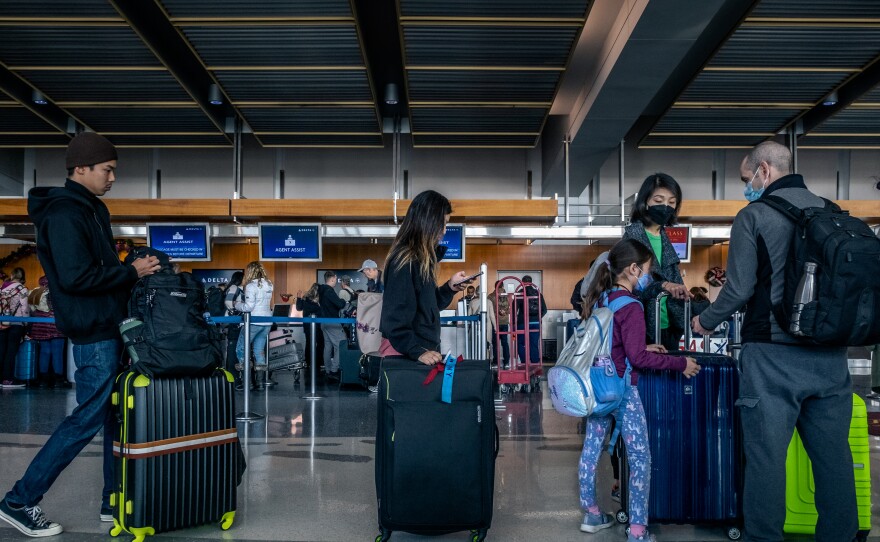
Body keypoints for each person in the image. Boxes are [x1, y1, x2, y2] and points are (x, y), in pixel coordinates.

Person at [692, 141, 858, 541]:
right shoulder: (831, 212)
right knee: (834, 459)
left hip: (772, 356)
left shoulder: (754, 216)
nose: (747, 186)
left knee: (767, 460)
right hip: (831, 356)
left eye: (747, 179)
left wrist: (705, 322)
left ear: (764, 171)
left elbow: (737, 290)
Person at [0, 132, 161, 537]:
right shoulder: (64, 214)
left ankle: (113, 498)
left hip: (110, 328)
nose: (112, 178)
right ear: (81, 168)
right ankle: (19, 501)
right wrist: (131, 271)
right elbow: (75, 278)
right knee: (87, 417)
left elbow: (97, 268)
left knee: (114, 419)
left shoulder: (92, 210)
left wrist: (127, 268)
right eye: (107, 170)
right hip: (94, 334)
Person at [577, 239, 699, 540]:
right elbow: (638, 359)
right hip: (622, 392)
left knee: (591, 451)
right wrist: (680, 363)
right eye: (646, 271)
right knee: (640, 457)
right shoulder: (631, 306)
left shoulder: (602, 299)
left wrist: (640, 345)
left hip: (597, 387)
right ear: (633, 269)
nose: (647, 277)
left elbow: (611, 344)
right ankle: (637, 529)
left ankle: (591, 514)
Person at [379, 190, 470, 364]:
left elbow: (426, 307)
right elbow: (395, 317)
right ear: (428, 222)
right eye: (442, 223)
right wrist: (417, 351)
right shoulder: (405, 260)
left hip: (418, 352)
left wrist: (449, 287)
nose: (444, 230)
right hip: (406, 354)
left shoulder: (422, 260)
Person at [623, 173, 692, 351]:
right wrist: (665, 285)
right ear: (645, 202)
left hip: (669, 324)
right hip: (642, 323)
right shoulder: (632, 237)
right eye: (659, 200)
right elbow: (630, 284)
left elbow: (675, 279)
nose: (665, 207)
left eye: (671, 202)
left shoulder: (664, 237)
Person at [234, 261, 274, 391]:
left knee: (241, 349)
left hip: (253, 322)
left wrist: (237, 304)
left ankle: (248, 383)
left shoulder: (251, 286)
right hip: (267, 322)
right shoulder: (269, 284)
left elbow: (249, 307)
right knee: (259, 351)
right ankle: (260, 383)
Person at [27, 276, 66, 389]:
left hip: (40, 325)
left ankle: (43, 380)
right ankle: (58, 380)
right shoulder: (58, 291)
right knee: (57, 352)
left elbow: (32, 309)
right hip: (56, 325)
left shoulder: (36, 291)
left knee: (45, 352)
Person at [0, 267, 30, 388]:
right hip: (16, 323)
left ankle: (0, 378)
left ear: (12, 275)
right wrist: (26, 323)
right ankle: (7, 379)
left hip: (2, 323)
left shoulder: (2, 287)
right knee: (11, 351)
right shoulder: (22, 289)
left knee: (1, 350)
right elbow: (25, 308)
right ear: (22, 277)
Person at [318, 271, 346, 381]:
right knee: (341, 344)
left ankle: (328, 370)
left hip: (324, 322)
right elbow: (339, 304)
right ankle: (334, 370)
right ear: (333, 278)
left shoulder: (321, 290)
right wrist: (343, 301)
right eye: (336, 279)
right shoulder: (329, 291)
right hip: (332, 322)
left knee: (328, 346)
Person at [515, 275, 546, 366]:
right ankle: (535, 363)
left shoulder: (520, 293)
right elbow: (545, 309)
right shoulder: (538, 293)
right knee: (534, 343)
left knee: (521, 343)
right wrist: (537, 317)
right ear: (531, 282)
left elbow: (514, 308)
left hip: (522, 322)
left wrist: (514, 321)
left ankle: (524, 363)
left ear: (522, 283)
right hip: (535, 322)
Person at [223, 271, 244, 387]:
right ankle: (234, 380)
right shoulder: (234, 287)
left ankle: (234, 379)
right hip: (234, 324)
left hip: (233, 323)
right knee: (233, 352)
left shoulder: (233, 288)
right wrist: (237, 310)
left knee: (234, 350)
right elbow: (228, 302)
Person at [295, 283, 323, 367]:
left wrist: (299, 298)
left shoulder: (305, 298)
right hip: (319, 325)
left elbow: (298, 308)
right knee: (321, 343)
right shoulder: (320, 300)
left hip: (307, 325)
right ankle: (318, 362)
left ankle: (309, 362)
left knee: (309, 343)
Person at [488, 285, 510, 369]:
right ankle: (506, 362)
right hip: (504, 322)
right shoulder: (508, 296)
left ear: (495, 286)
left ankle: (496, 362)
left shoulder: (490, 296)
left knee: (495, 343)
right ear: (503, 286)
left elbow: (488, 309)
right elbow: (510, 309)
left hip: (495, 323)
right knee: (505, 343)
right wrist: (505, 312)